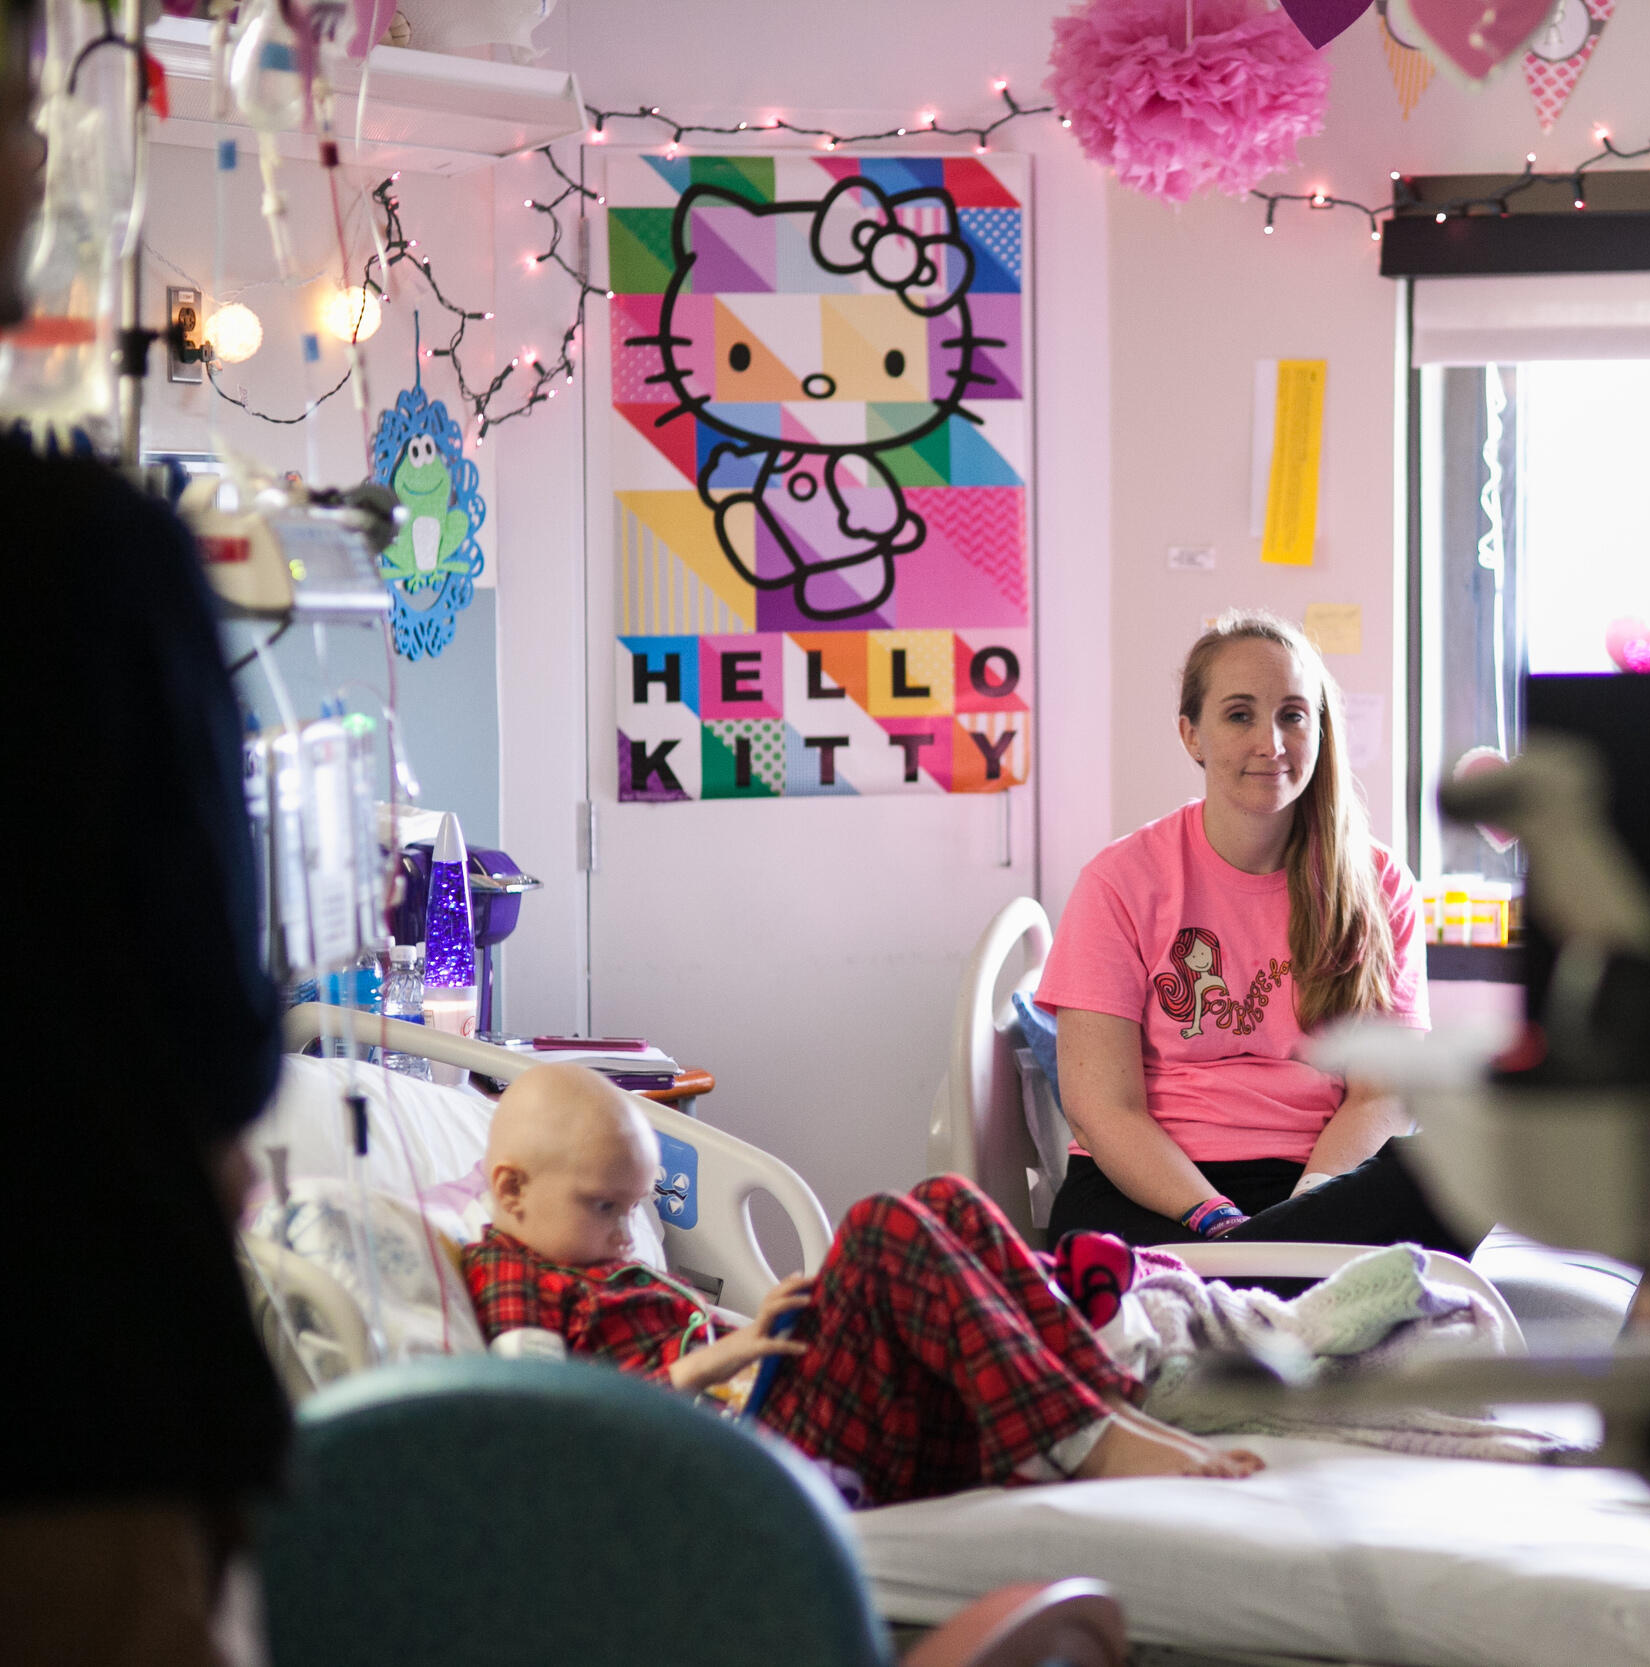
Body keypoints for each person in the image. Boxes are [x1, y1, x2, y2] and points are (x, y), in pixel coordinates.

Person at [0, 1, 293, 1655]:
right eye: (14, 113)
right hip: (64, 1393)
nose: (40, 156)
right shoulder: (81, 562)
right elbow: (215, 1025)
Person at [464, 1065, 1262, 1504]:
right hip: (751, 1459)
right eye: (604, 1207)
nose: (623, 1233)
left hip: (779, 1409)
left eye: (634, 1207)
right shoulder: (514, 1275)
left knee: (945, 1200)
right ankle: (1086, 1445)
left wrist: (751, 1328)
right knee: (883, 1225)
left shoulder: (591, 1260)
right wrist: (714, 1359)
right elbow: (544, 1428)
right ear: (511, 1189)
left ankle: (1098, 1409)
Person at [1040, 610, 1474, 1254]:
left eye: (1292, 715)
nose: (1271, 743)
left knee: (1460, 1169)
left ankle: (1220, 1283)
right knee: (1106, 1245)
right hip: (1150, 1184)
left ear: (1319, 730)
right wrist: (1225, 1224)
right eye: (1239, 715)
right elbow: (1104, 1109)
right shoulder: (1118, 881)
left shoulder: (1381, 883)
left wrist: (1306, 1210)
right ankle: (1276, 1281)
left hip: (1320, 1181)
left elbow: (1381, 1096)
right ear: (1192, 735)